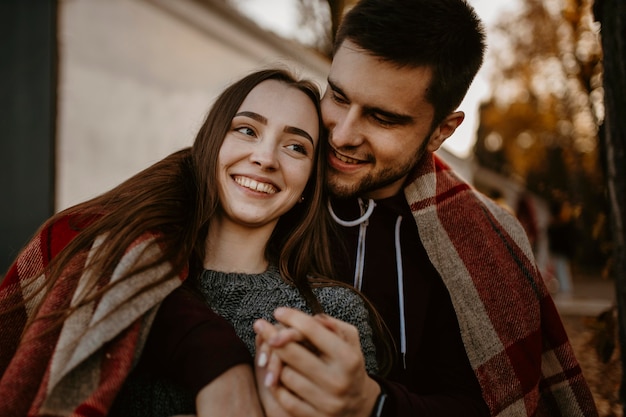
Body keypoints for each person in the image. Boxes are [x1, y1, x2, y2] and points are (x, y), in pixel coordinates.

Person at [253, 1, 599, 416]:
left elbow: (488, 404)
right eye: (338, 97)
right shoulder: (260, 174)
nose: (342, 135)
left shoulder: (483, 242)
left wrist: (373, 404)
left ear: (441, 130)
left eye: (382, 118)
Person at [0, 68, 388, 417]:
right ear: (211, 145)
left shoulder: (332, 315)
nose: (265, 158)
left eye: (296, 147)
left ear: (308, 185)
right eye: (247, 130)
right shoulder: (116, 273)